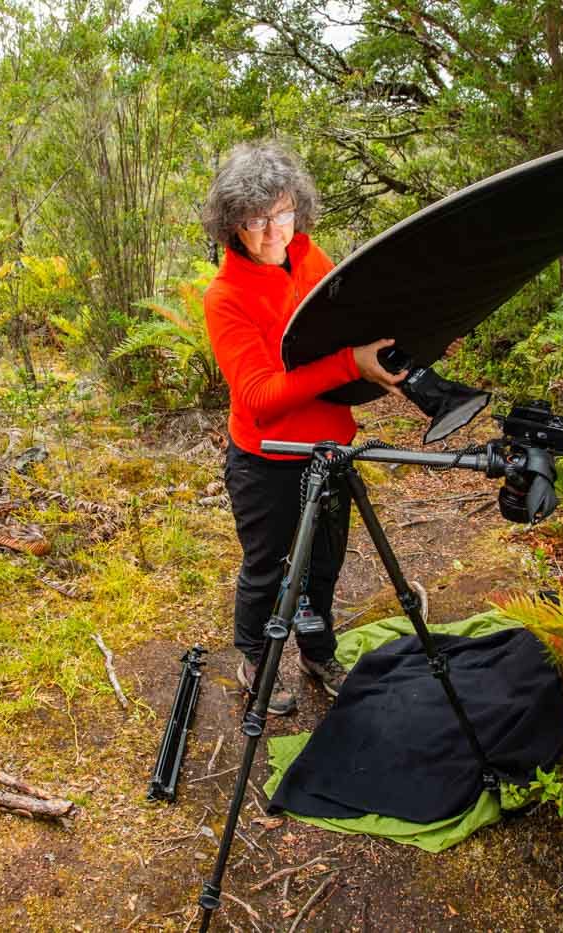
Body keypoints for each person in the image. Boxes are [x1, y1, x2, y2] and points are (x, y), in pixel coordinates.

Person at [201, 140, 407, 715]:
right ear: (231, 225)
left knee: (323, 564)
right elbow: (260, 398)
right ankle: (256, 660)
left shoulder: (312, 259)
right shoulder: (225, 298)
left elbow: (345, 329)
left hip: (329, 449)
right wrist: (348, 364)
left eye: (284, 213)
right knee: (268, 570)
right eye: (256, 221)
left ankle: (317, 651)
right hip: (266, 459)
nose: (274, 232)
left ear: (300, 207)